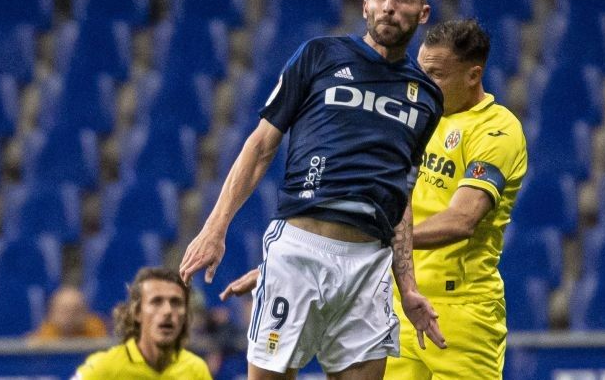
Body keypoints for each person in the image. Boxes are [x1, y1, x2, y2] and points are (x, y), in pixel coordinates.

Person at [180, 0, 447, 380]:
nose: (389, 7)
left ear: (423, 13)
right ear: (365, 7)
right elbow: (260, 145)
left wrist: (407, 284)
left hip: (369, 264)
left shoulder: (427, 97)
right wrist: (215, 228)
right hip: (301, 249)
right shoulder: (320, 55)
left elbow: (402, 198)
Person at [222, 19, 529, 379]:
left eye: (436, 74)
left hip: (463, 312)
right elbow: (357, 216)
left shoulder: (497, 130)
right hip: (397, 301)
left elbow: (462, 220)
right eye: (421, 69)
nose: (424, 82)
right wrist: (291, 263)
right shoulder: (415, 117)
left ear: (473, 75)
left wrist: (373, 243)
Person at [73, 267, 212, 380]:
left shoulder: (196, 370)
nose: (168, 311)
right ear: (137, 312)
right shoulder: (103, 367)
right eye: (156, 301)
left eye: (176, 302)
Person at [28, 285, 108, 343]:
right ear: (52, 313)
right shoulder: (45, 334)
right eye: (64, 310)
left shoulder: (94, 329)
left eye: (76, 310)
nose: (70, 316)